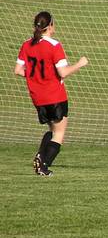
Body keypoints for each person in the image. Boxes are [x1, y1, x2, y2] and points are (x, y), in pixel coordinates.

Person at [14, 11, 89, 177]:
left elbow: (18, 70)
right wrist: (79, 64)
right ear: (50, 26)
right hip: (55, 96)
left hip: (37, 97)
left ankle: (41, 156)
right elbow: (62, 72)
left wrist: (36, 76)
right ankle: (44, 165)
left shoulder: (27, 45)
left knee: (52, 130)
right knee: (59, 133)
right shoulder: (54, 45)